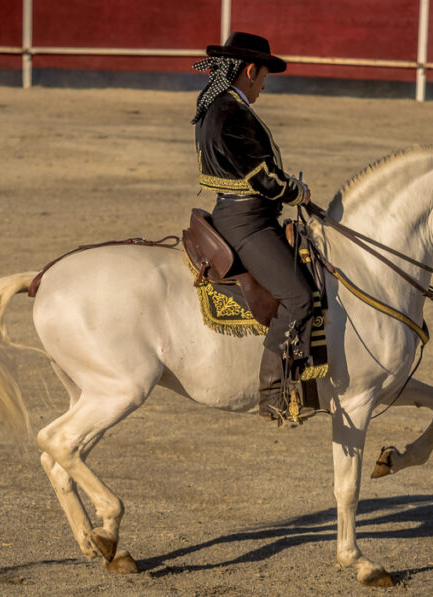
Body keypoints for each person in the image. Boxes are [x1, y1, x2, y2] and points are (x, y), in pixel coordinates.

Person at [191, 32, 314, 421]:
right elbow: (264, 177)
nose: (264, 85)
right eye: (263, 76)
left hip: (236, 212)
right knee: (298, 297)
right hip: (247, 221)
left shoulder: (216, 105)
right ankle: (274, 394)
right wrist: (297, 192)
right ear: (249, 70)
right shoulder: (232, 113)